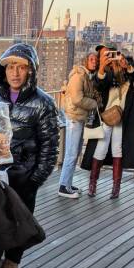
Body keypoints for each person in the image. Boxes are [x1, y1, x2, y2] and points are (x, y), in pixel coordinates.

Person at [0, 43, 59, 268]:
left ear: (31, 70)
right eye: (10, 67)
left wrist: (34, 181)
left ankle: (11, 265)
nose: (15, 72)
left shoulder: (44, 103)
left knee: (18, 221)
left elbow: (50, 148)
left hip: (24, 176)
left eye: (21, 67)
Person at [81, 45, 134, 199]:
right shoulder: (103, 71)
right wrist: (102, 66)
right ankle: (92, 184)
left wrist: (126, 64)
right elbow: (99, 83)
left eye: (109, 53)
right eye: (103, 54)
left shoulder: (125, 64)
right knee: (100, 149)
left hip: (123, 117)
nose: (107, 56)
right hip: (106, 117)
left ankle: (116, 188)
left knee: (117, 150)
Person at [58, 53, 99, 198]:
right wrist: (94, 104)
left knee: (74, 152)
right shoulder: (78, 76)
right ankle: (63, 187)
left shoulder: (86, 76)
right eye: (92, 60)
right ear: (85, 61)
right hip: (74, 118)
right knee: (71, 152)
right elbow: (77, 99)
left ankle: (67, 183)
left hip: (79, 118)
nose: (95, 62)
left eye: (96, 60)